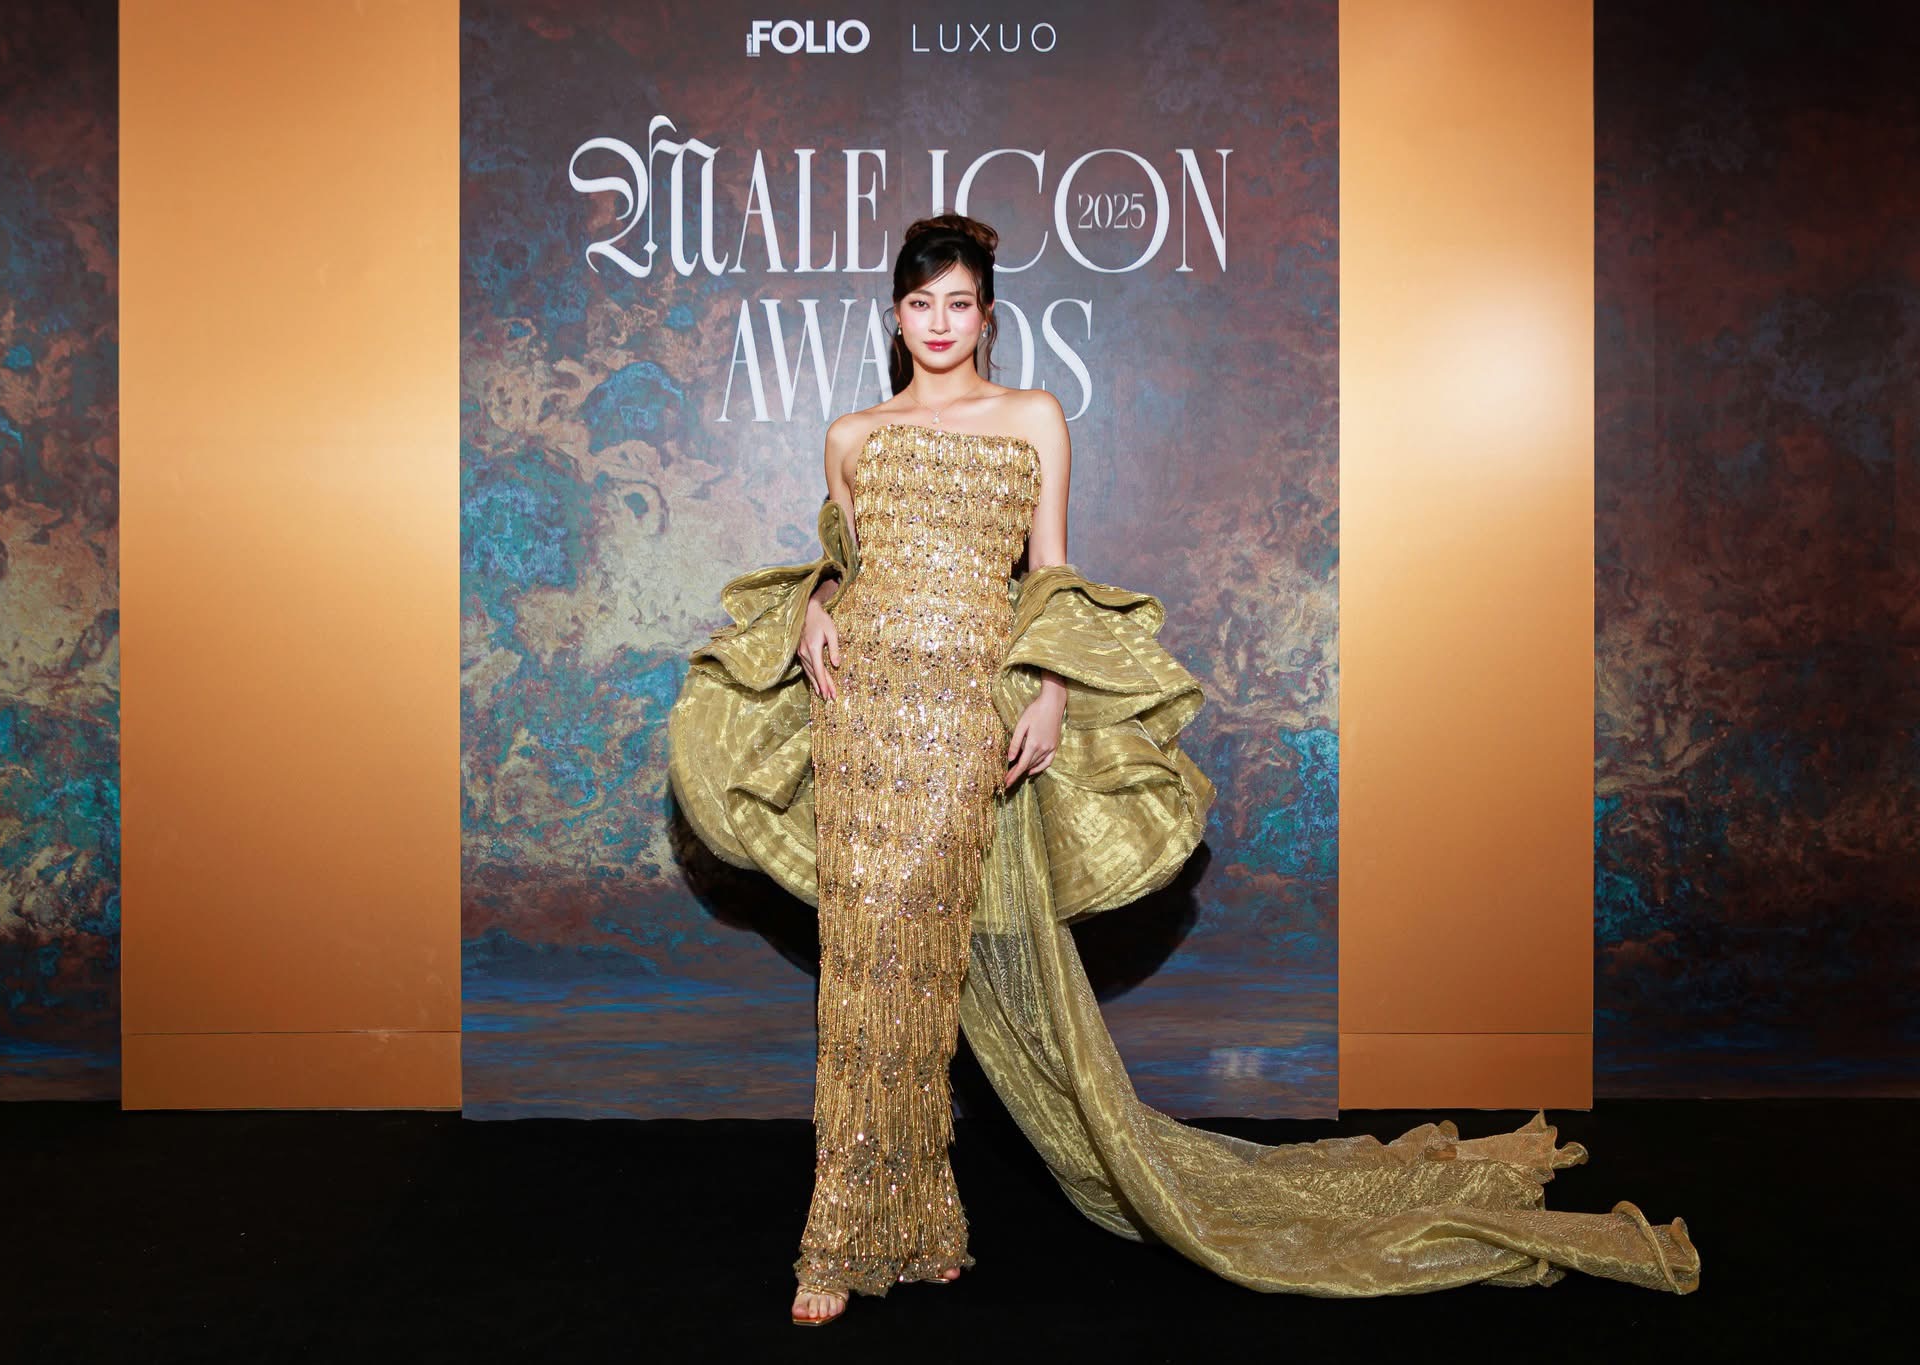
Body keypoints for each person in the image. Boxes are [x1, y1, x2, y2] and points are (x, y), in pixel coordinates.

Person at [667, 214, 1701, 1327]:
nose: (939, 323)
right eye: (920, 305)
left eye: (958, 303)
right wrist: (816, 603)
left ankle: (889, 1224)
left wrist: (1052, 690)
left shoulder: (1032, 417)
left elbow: (1050, 571)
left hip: (965, 716)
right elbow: (847, 562)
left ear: (987, 316)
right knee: (865, 972)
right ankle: (882, 1229)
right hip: (863, 718)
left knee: (922, 971)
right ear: (894, 317)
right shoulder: (852, 434)